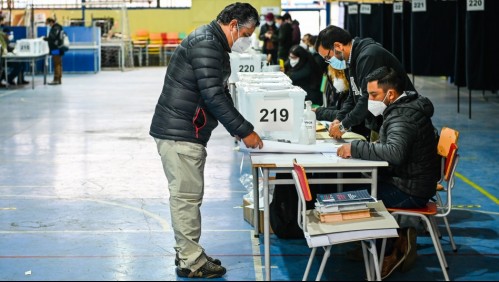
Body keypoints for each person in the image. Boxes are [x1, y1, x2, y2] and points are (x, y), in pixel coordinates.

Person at [149, 2, 264, 279]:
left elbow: (217, 94)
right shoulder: (207, 44)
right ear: (234, 24)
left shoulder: (210, 41)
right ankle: (191, 261)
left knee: (188, 195)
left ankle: (189, 252)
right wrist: (244, 130)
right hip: (181, 133)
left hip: (185, 129)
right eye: (246, 33)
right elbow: (213, 95)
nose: (247, 40)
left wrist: (239, 126)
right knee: (186, 197)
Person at [336, 66, 441, 279]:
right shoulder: (403, 108)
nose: (371, 100)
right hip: (412, 181)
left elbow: (394, 152)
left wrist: (355, 148)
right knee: (352, 185)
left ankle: (389, 246)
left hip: (410, 190)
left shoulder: (402, 116)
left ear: (390, 94)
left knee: (351, 194)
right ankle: (388, 239)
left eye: (374, 95)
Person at [314, 25, 415, 142]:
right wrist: (339, 119)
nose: (328, 61)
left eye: (328, 57)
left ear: (338, 46)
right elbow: (353, 98)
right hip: (381, 123)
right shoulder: (350, 61)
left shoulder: (369, 56)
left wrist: (343, 126)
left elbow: (367, 98)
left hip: (400, 122)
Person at [43, 18, 65, 85]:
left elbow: (52, 37)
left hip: (55, 48)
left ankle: (56, 79)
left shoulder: (55, 28)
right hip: (58, 48)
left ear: (51, 22)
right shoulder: (58, 27)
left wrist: (45, 38)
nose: (49, 25)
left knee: (56, 64)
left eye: (48, 23)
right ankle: (59, 79)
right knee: (59, 63)